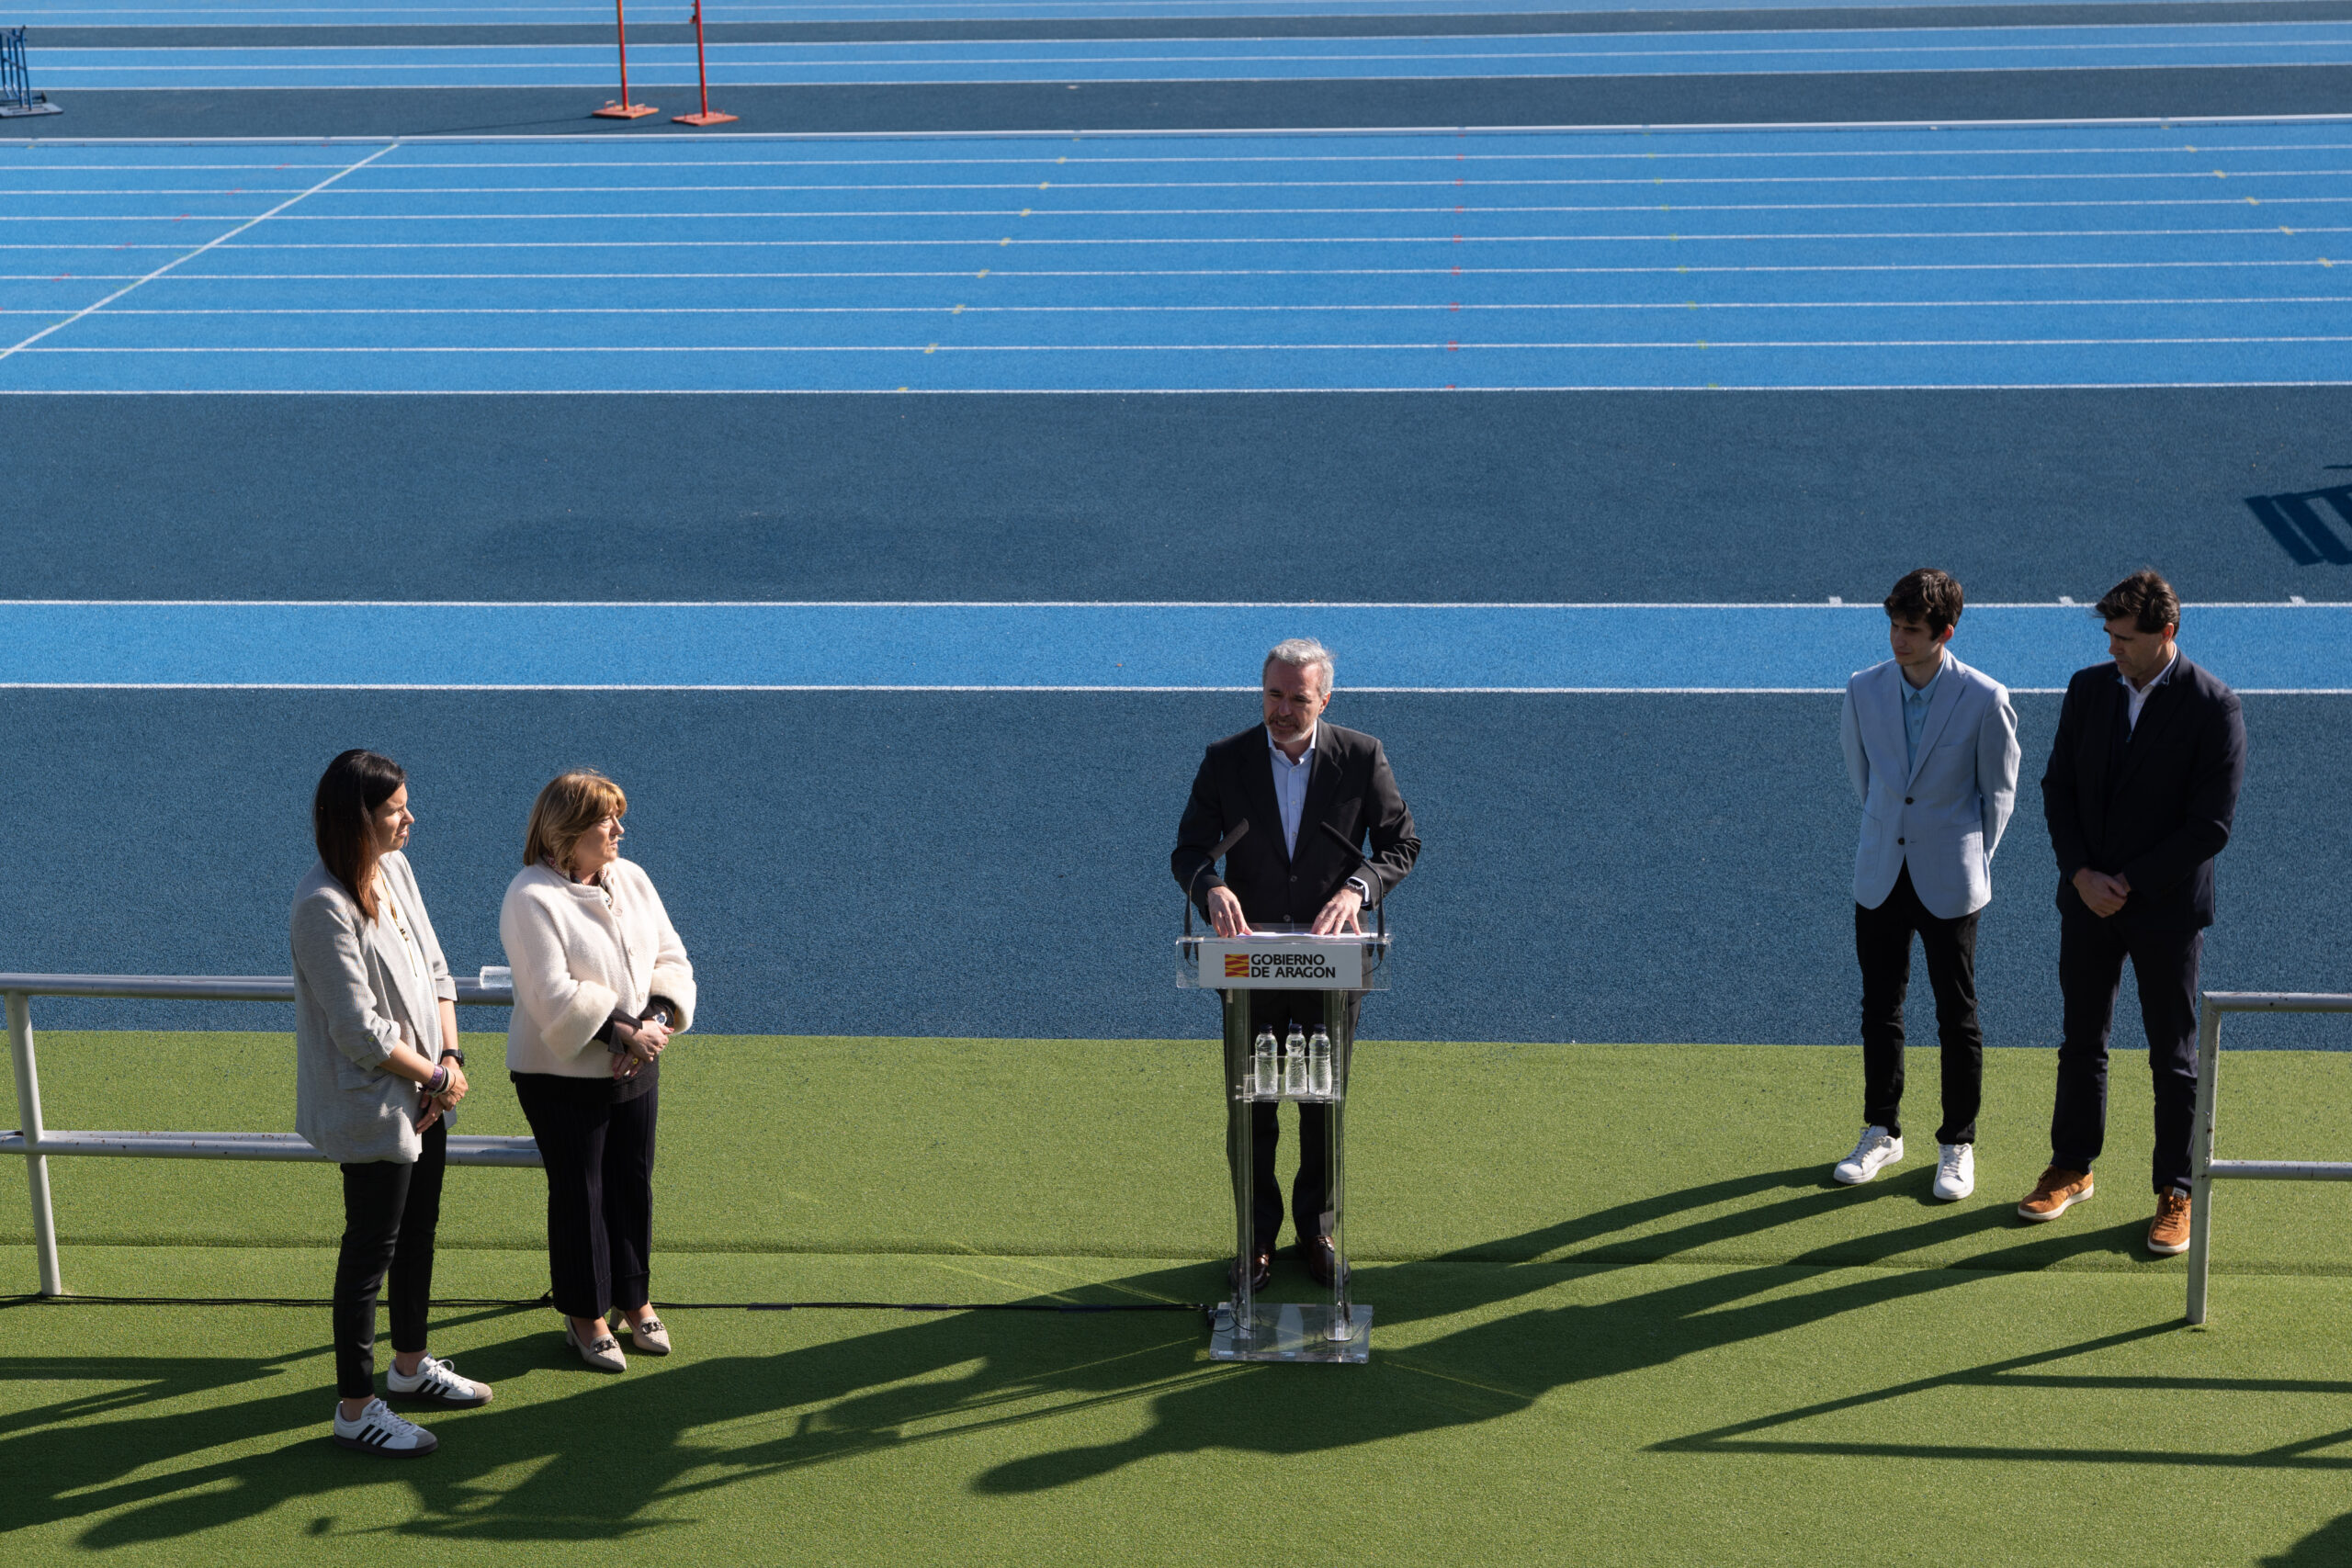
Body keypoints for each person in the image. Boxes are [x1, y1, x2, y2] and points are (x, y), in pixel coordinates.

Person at [1170, 638, 1419, 1291]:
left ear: (1325, 698)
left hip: (1330, 967)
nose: (1281, 710)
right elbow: (1188, 851)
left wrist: (1356, 889)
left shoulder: (1361, 757)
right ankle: (1254, 1238)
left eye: (1297, 699)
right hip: (1248, 965)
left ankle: (1317, 1230)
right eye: (1273, 695)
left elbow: (1401, 843)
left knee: (1322, 1102)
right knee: (1250, 1107)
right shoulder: (1225, 761)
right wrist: (1212, 887)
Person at [2021, 570, 2247, 1256]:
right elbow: (2057, 787)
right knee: (2080, 1040)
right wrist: (2082, 874)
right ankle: (2071, 1166)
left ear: (2165, 634)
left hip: (2165, 910)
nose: (2113, 648)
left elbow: (2209, 826)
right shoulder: (2088, 690)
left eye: (2125, 638)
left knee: (2172, 1055)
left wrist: (2125, 881)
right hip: (2088, 899)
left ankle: (2176, 1187)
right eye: (2109, 635)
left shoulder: (2215, 706)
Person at [293, 749, 493, 1459]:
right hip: (378, 1104)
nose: (412, 817)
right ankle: (356, 1406)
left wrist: (451, 1057)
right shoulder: (322, 904)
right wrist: (433, 1078)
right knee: (370, 1249)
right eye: (395, 808)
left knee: (420, 1230)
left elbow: (438, 972)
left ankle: (409, 1367)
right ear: (358, 820)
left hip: (427, 1091)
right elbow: (357, 1031)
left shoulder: (397, 871)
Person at [1833, 569, 2020, 1201]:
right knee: (1879, 1009)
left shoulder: (1985, 697)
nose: (1898, 640)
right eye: (1893, 626)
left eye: (1911, 630)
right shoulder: (1863, 689)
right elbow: (1867, 782)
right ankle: (1881, 1129)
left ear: (1945, 631)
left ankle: (1957, 1142)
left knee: (1955, 1015)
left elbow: (1999, 794)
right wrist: (1898, 831)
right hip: (1882, 871)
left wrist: (1967, 853)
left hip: (1950, 877)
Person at [502, 770, 696, 1372]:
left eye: (617, 816)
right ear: (567, 831)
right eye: (605, 820)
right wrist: (623, 1031)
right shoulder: (530, 896)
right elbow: (551, 991)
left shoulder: (631, 878)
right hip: (558, 1075)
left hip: (635, 1063)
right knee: (581, 1193)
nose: (619, 829)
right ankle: (585, 1316)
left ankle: (635, 1298)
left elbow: (670, 956)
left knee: (632, 1180)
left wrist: (655, 1020)